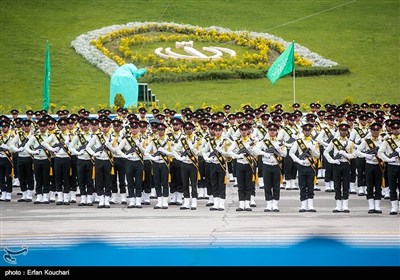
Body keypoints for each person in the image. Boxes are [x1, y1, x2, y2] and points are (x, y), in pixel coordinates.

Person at [253, 123, 286, 212]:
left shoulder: (279, 142)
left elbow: (285, 154)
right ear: (268, 131)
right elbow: (255, 150)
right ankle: (268, 204)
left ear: (277, 132)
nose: (272, 132)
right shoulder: (264, 142)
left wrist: (278, 149)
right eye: (270, 130)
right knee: (267, 185)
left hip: (276, 165)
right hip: (266, 165)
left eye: (274, 130)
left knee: (276, 185)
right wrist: (264, 153)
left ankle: (275, 204)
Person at [323, 123, 356, 213]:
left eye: (345, 130)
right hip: (337, 164)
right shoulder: (334, 141)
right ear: (339, 131)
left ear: (347, 131)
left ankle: (345, 205)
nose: (343, 132)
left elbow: (354, 155)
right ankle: (338, 205)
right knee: (337, 185)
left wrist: (346, 154)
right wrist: (331, 161)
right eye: (341, 130)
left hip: (346, 164)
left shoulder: (350, 142)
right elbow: (326, 152)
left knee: (346, 185)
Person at [289, 123, 320, 212]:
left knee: (310, 185)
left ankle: (310, 205)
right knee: (302, 185)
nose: (307, 132)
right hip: (301, 166)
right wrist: (298, 161)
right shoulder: (298, 141)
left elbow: (317, 155)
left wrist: (313, 149)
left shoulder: (314, 143)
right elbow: (291, 153)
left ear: (311, 131)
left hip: (311, 166)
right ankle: (303, 205)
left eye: (309, 130)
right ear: (303, 131)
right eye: (305, 130)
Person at [228, 123, 257, 211]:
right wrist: (237, 156)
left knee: (248, 185)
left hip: (249, 164)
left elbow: (256, 152)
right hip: (240, 164)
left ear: (248, 131)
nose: (243, 132)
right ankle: (241, 204)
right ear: (239, 131)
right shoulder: (237, 142)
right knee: (241, 185)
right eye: (242, 130)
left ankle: (247, 204)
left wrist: (252, 151)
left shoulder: (252, 141)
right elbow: (229, 151)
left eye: (245, 130)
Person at [356, 122, 385, 214]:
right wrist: (366, 155)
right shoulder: (366, 141)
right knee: (369, 185)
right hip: (369, 165)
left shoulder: (383, 140)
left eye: (377, 130)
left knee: (378, 185)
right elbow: (358, 151)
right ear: (371, 131)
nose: (375, 132)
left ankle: (377, 205)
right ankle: (371, 206)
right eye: (374, 130)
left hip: (379, 166)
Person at [378, 120, 400, 215]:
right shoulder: (388, 140)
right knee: (392, 187)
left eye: (397, 128)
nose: (395, 130)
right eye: (394, 128)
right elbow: (380, 152)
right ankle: (394, 208)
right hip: (392, 166)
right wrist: (388, 159)